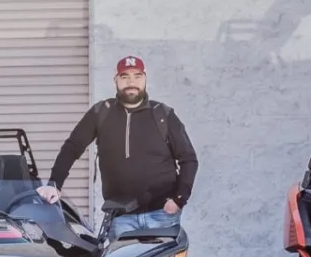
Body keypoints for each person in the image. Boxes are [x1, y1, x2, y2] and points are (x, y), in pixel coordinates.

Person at [41, 56, 200, 217]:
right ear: (115, 80)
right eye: (125, 76)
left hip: (161, 214)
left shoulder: (163, 114)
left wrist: (179, 200)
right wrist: (54, 184)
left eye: (137, 76)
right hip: (119, 216)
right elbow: (72, 147)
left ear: (145, 79)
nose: (131, 82)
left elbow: (188, 159)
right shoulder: (101, 112)